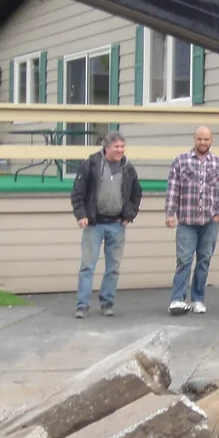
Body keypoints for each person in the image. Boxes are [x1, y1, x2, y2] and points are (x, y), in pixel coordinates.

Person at [70, 130, 142, 318]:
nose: (120, 150)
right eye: (116, 147)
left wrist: (130, 214)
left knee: (113, 268)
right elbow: (77, 193)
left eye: (122, 146)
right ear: (106, 147)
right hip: (94, 224)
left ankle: (107, 303)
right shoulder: (91, 165)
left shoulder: (128, 168)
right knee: (87, 266)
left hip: (117, 224)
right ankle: (82, 306)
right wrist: (81, 215)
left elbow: (136, 194)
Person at [165, 125, 219, 315]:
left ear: (211, 141)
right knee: (184, 260)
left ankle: (197, 299)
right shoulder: (181, 161)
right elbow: (172, 189)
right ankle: (177, 299)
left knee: (204, 261)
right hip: (186, 221)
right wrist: (170, 213)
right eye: (199, 139)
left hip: (210, 222)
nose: (203, 142)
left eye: (206, 139)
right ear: (194, 139)